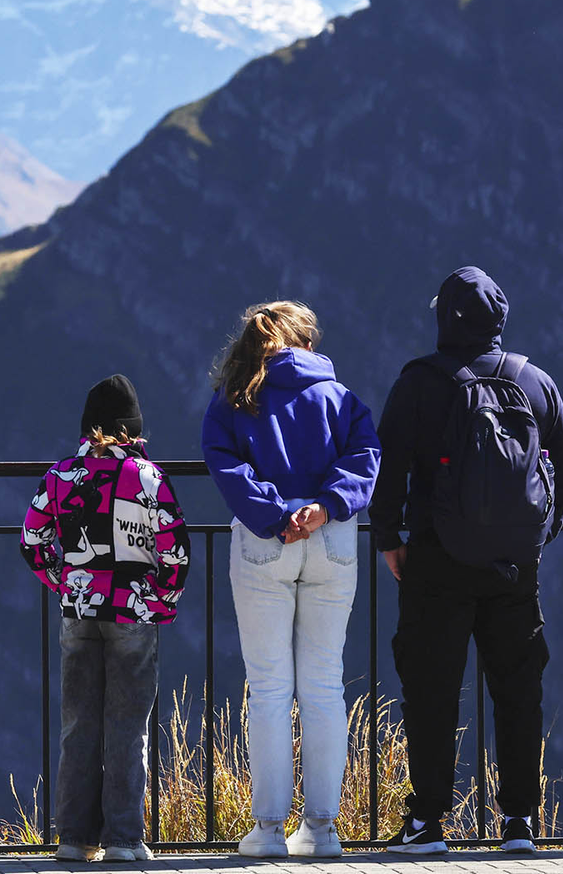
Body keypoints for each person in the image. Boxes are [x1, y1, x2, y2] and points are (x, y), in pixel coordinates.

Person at [371, 267, 563, 855]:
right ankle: (519, 822)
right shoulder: (534, 382)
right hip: (515, 567)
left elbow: (388, 467)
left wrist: (390, 537)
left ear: (443, 319)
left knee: (432, 691)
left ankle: (427, 824)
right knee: (518, 690)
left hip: (436, 560)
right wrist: (539, 533)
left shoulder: (420, 382)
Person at [201, 301, 381, 859]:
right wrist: (325, 506)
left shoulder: (237, 395)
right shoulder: (340, 396)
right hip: (333, 538)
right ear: (307, 340)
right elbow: (366, 455)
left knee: (271, 688)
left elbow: (223, 460)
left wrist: (277, 515)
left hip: (266, 540)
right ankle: (323, 831)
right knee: (325, 684)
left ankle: (270, 830)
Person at [21, 374, 191, 863]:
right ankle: (123, 839)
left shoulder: (59, 476)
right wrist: (159, 600)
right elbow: (175, 549)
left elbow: (32, 541)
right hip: (132, 611)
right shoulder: (148, 477)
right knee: (127, 725)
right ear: (134, 428)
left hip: (79, 610)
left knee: (79, 724)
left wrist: (64, 582)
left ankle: (74, 838)